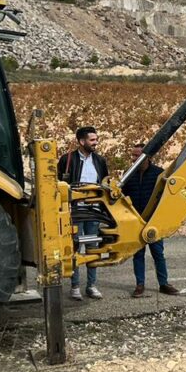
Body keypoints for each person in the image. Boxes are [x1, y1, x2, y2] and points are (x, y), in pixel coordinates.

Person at [57, 126, 109, 301]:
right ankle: (75, 286)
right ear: (81, 141)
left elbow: (104, 183)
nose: (96, 143)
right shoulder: (67, 160)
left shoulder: (100, 161)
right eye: (92, 140)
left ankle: (92, 286)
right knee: (75, 248)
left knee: (93, 248)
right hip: (75, 211)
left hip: (94, 211)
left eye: (96, 139)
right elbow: (59, 185)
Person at [123, 143, 179, 298]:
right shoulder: (128, 175)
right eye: (133, 155)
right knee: (138, 254)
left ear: (147, 157)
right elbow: (123, 197)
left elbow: (164, 197)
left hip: (154, 221)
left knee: (158, 254)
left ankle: (163, 283)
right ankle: (140, 285)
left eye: (137, 156)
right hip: (136, 221)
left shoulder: (158, 174)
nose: (134, 159)